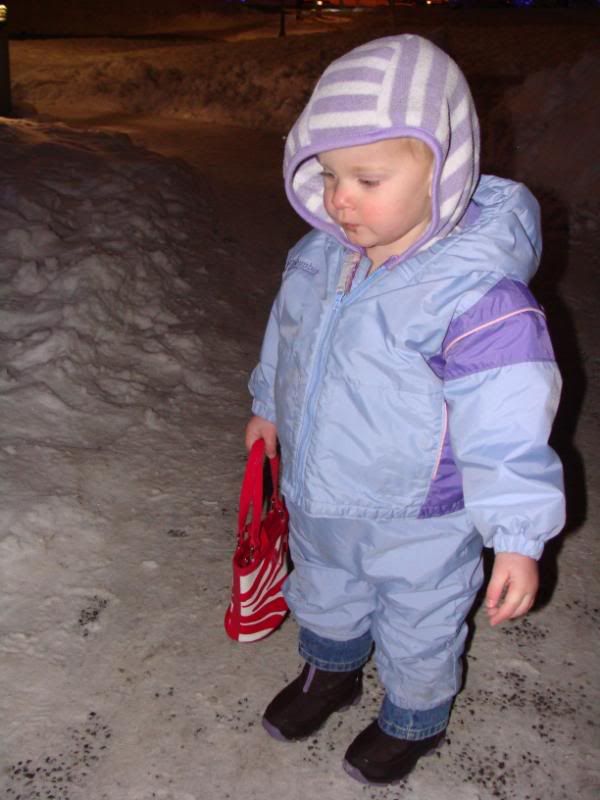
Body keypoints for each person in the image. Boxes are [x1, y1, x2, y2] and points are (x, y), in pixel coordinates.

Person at [245, 34, 565, 786]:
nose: (340, 198)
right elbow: (286, 339)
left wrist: (517, 535)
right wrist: (268, 406)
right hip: (323, 490)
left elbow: (509, 426)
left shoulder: (479, 298)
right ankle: (332, 671)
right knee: (323, 585)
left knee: (418, 622)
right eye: (326, 174)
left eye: (368, 177)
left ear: (442, 172)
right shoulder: (320, 255)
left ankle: (413, 716)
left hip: (422, 511)